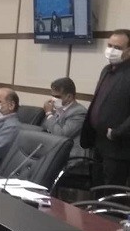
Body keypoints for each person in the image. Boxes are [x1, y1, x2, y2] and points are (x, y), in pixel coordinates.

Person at [81, 29, 130, 185]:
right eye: (109, 45)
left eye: (118, 47)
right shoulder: (106, 70)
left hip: (118, 147)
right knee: (96, 186)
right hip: (98, 142)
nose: (111, 50)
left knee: (110, 191)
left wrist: (117, 133)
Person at [42, 77, 87, 161]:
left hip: (70, 157)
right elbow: (46, 129)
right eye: (52, 96)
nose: (53, 99)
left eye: (57, 96)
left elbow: (61, 135)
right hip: (54, 152)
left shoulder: (79, 112)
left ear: (69, 97)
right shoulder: (58, 109)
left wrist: (49, 114)